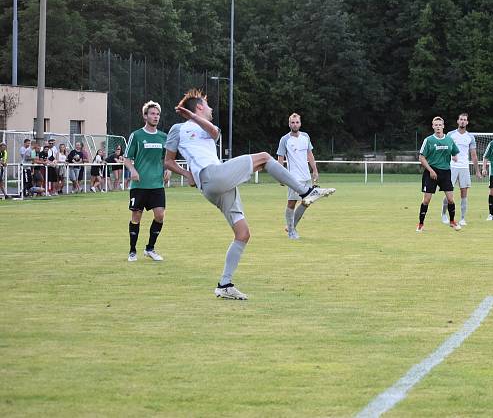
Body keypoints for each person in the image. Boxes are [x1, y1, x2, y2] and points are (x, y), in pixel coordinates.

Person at [163, 89, 335, 300]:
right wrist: (186, 173)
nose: (211, 110)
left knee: (243, 234)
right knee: (263, 157)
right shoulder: (177, 129)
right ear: (199, 107)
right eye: (207, 107)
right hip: (211, 177)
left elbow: (215, 134)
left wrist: (193, 118)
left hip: (218, 182)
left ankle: (224, 284)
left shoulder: (205, 126)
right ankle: (307, 191)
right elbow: (168, 161)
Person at [123, 101, 170, 262]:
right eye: (152, 114)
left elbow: (167, 158)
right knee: (136, 216)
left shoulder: (163, 136)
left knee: (160, 215)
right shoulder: (136, 135)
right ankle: (132, 251)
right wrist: (133, 170)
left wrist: (168, 169)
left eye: (157, 114)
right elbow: (127, 158)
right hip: (139, 185)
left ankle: (150, 248)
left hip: (157, 184)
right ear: (145, 116)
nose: (155, 116)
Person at [277, 113, 320, 240]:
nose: (295, 124)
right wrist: (280, 175)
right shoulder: (284, 140)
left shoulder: (305, 136)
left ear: (300, 124)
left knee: (307, 202)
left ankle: (290, 226)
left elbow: (310, 154)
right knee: (291, 203)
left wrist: (315, 170)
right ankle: (291, 231)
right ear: (289, 124)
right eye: (292, 122)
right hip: (293, 178)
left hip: (306, 176)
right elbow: (280, 157)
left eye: (297, 122)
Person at [417, 116, 461, 232]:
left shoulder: (449, 140)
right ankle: (420, 224)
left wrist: (455, 157)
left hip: (445, 172)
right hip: (431, 172)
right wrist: (431, 170)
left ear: (443, 126)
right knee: (426, 200)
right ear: (433, 126)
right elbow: (421, 157)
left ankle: (452, 222)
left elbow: (455, 152)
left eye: (439, 125)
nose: (438, 127)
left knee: (451, 199)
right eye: (435, 125)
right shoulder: (429, 140)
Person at [441, 113, 481, 226]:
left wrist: (477, 170)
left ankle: (463, 218)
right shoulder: (450, 135)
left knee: (464, 193)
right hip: (452, 167)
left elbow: (473, 155)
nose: (463, 121)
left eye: (465, 120)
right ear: (458, 121)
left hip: (464, 168)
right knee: (449, 192)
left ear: (467, 122)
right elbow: (445, 149)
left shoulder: (470, 137)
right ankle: (444, 214)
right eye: (461, 119)